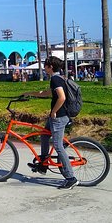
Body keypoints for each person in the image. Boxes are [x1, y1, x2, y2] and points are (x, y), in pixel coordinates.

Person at [29, 56, 79, 190]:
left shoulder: (56, 79)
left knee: (58, 146)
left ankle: (70, 178)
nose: (44, 67)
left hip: (59, 117)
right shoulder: (57, 78)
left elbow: (61, 97)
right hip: (57, 117)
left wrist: (54, 112)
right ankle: (43, 164)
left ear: (50, 67)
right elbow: (47, 93)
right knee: (44, 135)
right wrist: (30, 93)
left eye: (45, 65)